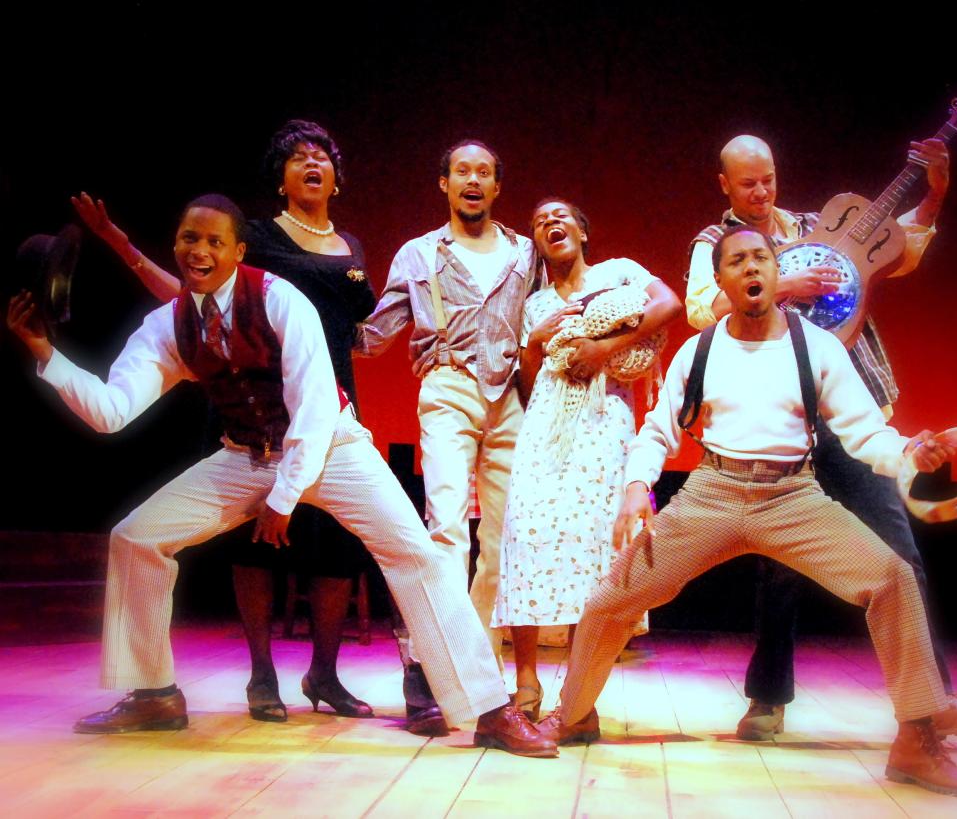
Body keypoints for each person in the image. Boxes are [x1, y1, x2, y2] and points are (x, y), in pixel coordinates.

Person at [6, 194, 556, 758]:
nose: (199, 251)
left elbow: (315, 412)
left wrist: (285, 497)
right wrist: (47, 355)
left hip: (334, 448)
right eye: (189, 240)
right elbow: (111, 410)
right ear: (175, 247)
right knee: (136, 537)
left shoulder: (279, 300)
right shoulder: (168, 326)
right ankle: (154, 695)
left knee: (416, 555)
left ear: (238, 251)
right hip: (247, 455)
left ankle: (490, 710)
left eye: (214, 241)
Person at [537, 225, 957, 796]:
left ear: (776, 273)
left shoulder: (816, 346)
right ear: (721, 280)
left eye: (761, 259)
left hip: (792, 498)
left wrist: (907, 452)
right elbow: (657, 431)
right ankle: (575, 714)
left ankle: (916, 741)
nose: (751, 269)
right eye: (738, 262)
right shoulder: (700, 349)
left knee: (892, 577)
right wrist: (634, 488)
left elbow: (864, 431)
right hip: (713, 493)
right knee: (608, 600)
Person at [685, 134, 957, 740]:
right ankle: (767, 701)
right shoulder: (718, 245)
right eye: (747, 182)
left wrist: (933, 199)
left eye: (768, 177)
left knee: (898, 546)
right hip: (778, 419)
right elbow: (702, 308)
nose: (761, 190)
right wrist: (782, 287)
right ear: (724, 184)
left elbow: (897, 251)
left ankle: (932, 699)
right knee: (779, 567)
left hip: (851, 408)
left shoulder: (816, 227)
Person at [72, 120, 376, 723]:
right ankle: (262, 677)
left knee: (335, 549)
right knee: (254, 543)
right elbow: (187, 295)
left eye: (322, 156)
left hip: (326, 398)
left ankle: (325, 673)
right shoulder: (254, 238)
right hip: (252, 405)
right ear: (281, 177)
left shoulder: (352, 248)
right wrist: (121, 245)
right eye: (297, 157)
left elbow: (360, 333)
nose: (312, 163)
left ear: (337, 179)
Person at [356, 140, 535, 734]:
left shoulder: (524, 253)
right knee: (447, 530)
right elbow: (374, 332)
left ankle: (475, 669)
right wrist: (312, 317)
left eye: (485, 172)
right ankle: (429, 667)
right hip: (448, 382)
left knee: (504, 542)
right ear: (445, 183)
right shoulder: (418, 254)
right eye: (463, 171)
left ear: (497, 186)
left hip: (509, 393)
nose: (473, 180)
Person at [492, 198, 681, 718]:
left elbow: (670, 304)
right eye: (539, 220)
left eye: (562, 216)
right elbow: (530, 388)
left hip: (603, 420)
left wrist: (606, 347)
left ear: (583, 229)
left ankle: (579, 695)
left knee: (593, 550)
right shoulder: (535, 303)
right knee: (524, 537)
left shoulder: (619, 273)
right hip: (545, 427)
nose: (551, 222)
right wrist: (533, 343)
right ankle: (525, 682)